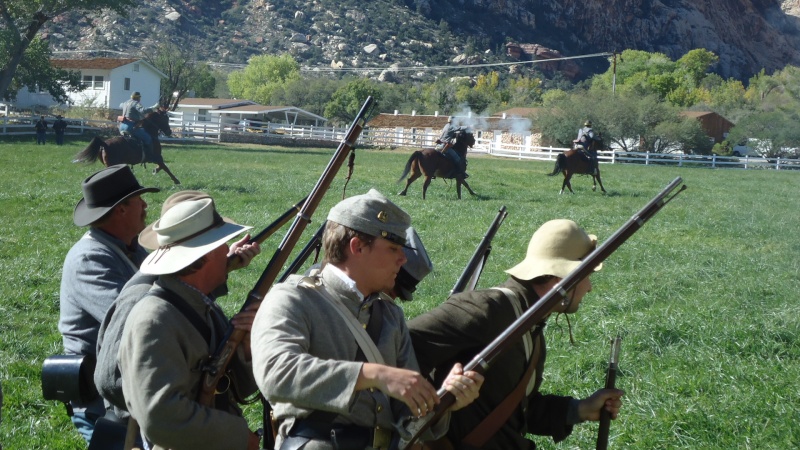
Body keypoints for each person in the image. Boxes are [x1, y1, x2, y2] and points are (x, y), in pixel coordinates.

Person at [250, 189, 484, 450]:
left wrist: (445, 399)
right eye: (393, 248)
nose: (403, 259)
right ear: (357, 246)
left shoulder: (389, 314)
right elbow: (275, 374)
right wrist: (374, 374)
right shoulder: (292, 298)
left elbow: (409, 419)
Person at [408, 219, 624, 450]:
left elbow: (516, 410)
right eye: (587, 276)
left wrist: (579, 409)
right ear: (562, 280)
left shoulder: (530, 323)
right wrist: (437, 399)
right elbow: (398, 346)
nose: (589, 287)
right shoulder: (487, 309)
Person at [93, 190, 260, 443]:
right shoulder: (153, 320)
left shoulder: (203, 306)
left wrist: (246, 348)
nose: (228, 249)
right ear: (203, 256)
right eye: (221, 244)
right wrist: (239, 437)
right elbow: (161, 417)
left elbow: (235, 391)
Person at [58, 164, 160, 443]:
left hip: (127, 387)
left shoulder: (131, 247)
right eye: (139, 199)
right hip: (103, 402)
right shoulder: (89, 259)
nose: (145, 205)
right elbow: (133, 318)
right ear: (121, 210)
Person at [119, 91, 153, 159]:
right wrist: (153, 107)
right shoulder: (135, 103)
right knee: (148, 138)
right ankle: (149, 156)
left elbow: (120, 105)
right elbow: (143, 110)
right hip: (130, 127)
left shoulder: (125, 102)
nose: (140, 99)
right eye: (139, 97)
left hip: (121, 126)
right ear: (138, 98)